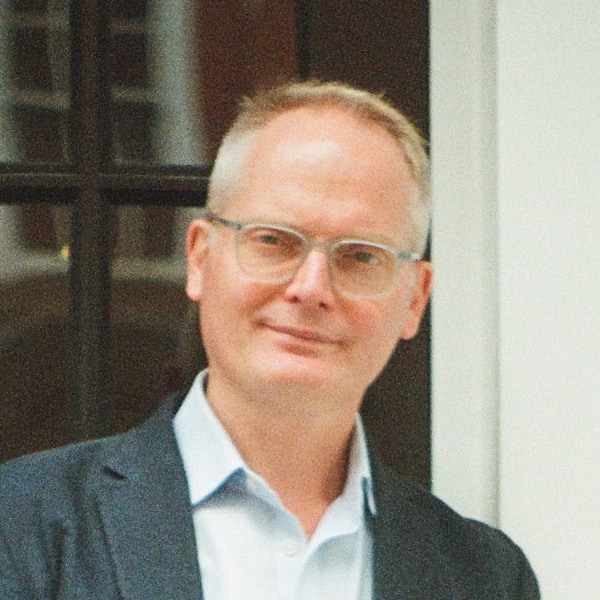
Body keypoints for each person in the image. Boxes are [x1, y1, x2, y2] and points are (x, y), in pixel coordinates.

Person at [0, 80, 539, 599]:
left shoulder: (485, 579)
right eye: (274, 241)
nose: (311, 288)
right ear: (200, 257)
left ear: (415, 299)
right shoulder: (23, 526)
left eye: (360, 256)